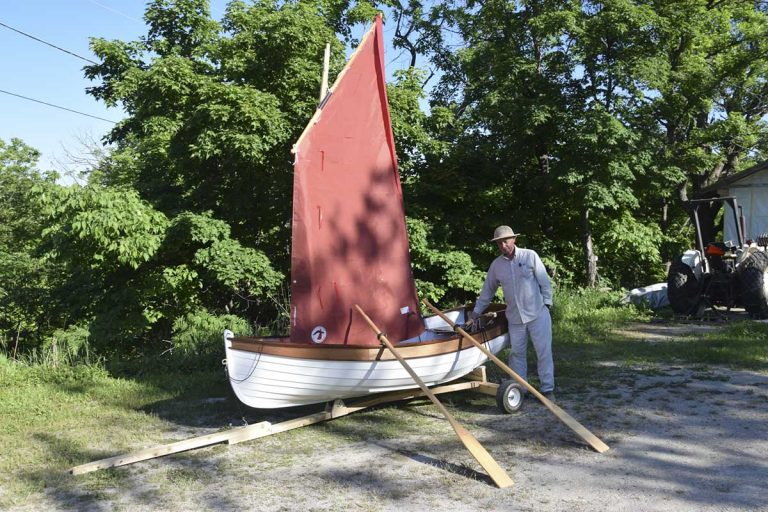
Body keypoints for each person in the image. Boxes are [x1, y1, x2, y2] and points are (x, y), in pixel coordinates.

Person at [470, 225, 555, 400]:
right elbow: (488, 291)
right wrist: (476, 312)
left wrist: (547, 304)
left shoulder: (530, 256)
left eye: (505, 241)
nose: (503, 246)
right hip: (515, 318)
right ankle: (520, 389)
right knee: (517, 354)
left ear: (514, 240)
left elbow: (544, 282)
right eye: (499, 243)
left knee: (543, 351)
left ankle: (547, 390)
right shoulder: (496, 265)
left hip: (538, 313)